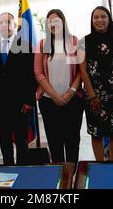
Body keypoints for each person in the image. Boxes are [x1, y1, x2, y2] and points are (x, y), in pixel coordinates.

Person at [0, 12, 36, 165]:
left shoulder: (25, 46)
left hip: (21, 104)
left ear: (15, 25)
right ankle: (8, 170)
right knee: (4, 141)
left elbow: (30, 75)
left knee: (21, 141)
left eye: (9, 22)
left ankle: (23, 172)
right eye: (2, 22)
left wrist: (29, 100)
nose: (5, 25)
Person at [34, 9, 83, 163]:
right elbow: (38, 73)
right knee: (55, 143)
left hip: (73, 101)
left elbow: (81, 71)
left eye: (56, 21)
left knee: (72, 142)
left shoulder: (75, 42)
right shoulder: (42, 45)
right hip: (49, 102)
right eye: (49, 21)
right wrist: (54, 96)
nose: (53, 24)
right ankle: (60, 178)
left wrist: (71, 92)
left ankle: (73, 177)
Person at [79, 6, 113, 161]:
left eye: (103, 16)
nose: (99, 20)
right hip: (93, 95)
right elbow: (83, 70)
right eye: (96, 17)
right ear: (92, 20)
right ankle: (100, 166)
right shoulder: (83, 41)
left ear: (109, 19)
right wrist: (92, 96)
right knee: (96, 133)